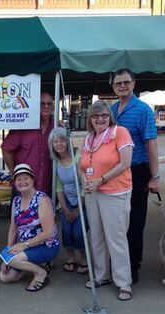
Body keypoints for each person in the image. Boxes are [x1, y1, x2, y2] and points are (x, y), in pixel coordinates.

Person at [79, 100, 134, 301]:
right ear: (90, 120)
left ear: (109, 117)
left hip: (115, 193)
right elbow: (82, 164)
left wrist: (101, 180)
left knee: (116, 238)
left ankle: (123, 282)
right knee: (97, 236)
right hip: (93, 193)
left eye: (103, 115)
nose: (100, 119)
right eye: (95, 116)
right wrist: (86, 180)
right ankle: (101, 275)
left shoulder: (120, 132)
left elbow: (125, 163)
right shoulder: (89, 138)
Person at [110, 68, 160, 284]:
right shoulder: (111, 110)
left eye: (126, 82)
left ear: (134, 83)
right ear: (112, 86)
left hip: (138, 171)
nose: (122, 86)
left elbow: (151, 143)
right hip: (115, 172)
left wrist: (155, 175)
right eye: (118, 83)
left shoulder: (143, 110)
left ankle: (132, 267)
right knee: (118, 220)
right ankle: (119, 264)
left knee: (135, 221)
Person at [0, 163, 60, 292]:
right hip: (24, 246)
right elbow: (13, 229)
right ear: (14, 183)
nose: (22, 182)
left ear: (32, 180)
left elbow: (48, 233)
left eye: (25, 178)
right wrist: (6, 257)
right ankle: (29, 264)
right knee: (5, 277)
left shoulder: (42, 200)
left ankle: (40, 273)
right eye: (18, 179)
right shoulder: (16, 201)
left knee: (14, 260)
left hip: (45, 246)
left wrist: (24, 245)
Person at [48, 127, 88, 274]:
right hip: (68, 203)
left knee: (78, 233)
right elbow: (59, 186)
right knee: (66, 231)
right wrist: (64, 208)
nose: (59, 144)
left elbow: (85, 185)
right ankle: (71, 258)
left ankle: (84, 259)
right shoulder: (56, 162)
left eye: (62, 140)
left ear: (68, 141)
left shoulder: (78, 158)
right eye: (55, 141)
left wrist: (78, 209)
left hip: (83, 202)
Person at [1, 92, 54, 194]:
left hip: (48, 187)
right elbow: (6, 149)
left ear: (52, 106)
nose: (46, 106)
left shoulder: (57, 127)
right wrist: (13, 171)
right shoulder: (24, 124)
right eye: (42, 104)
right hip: (23, 187)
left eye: (49, 103)